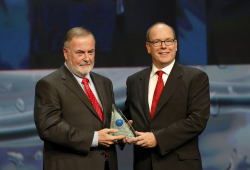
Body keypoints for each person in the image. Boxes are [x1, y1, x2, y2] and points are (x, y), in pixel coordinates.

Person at [34, 27, 126, 170]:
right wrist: (95, 138)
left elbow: (104, 122)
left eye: (91, 52)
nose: (86, 58)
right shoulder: (49, 84)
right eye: (80, 53)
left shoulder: (105, 83)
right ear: (66, 53)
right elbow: (50, 128)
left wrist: (121, 131)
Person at [124, 22, 210, 170]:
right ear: (148, 47)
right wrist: (120, 131)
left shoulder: (195, 78)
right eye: (157, 42)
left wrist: (158, 138)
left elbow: (197, 121)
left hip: (181, 165)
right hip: (144, 164)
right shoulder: (134, 81)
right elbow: (128, 118)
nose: (164, 46)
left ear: (175, 45)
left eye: (168, 41)